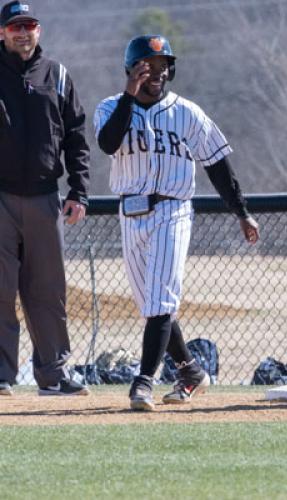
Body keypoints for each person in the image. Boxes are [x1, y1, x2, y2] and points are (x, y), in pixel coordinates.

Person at [94, 35, 259, 411]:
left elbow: (218, 165)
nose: (157, 72)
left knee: (160, 300)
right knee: (152, 305)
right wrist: (128, 95)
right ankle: (191, 372)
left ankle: (143, 382)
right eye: (147, 65)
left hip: (173, 208)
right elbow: (107, 143)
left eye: (163, 64)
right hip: (131, 213)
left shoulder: (187, 113)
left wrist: (241, 211)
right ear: (132, 70)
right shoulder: (110, 107)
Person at [0, 1, 90, 396]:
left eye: (30, 25)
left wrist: (80, 191)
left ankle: (53, 374)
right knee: (0, 289)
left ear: (39, 31)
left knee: (48, 291)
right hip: (0, 197)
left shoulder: (58, 74)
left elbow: (76, 137)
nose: (23, 32)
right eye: (15, 26)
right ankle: (1, 375)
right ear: (1, 32)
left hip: (45, 197)